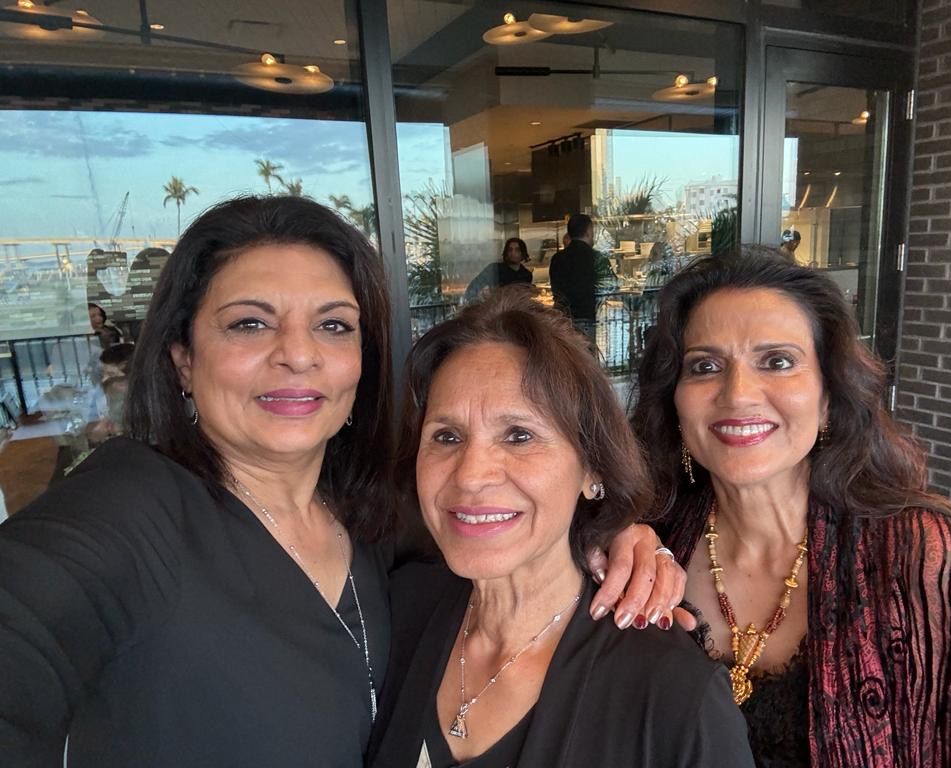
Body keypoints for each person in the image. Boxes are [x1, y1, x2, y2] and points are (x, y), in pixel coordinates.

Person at [0, 196, 685, 767]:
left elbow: (509, 516)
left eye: (332, 325)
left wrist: (613, 529)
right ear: (183, 358)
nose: (297, 354)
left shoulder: (380, 517)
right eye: (249, 323)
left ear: (362, 362)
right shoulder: (129, 514)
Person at [631, 247, 951, 766]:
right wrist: (612, 532)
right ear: (675, 400)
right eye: (705, 366)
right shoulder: (649, 546)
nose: (738, 394)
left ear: (827, 398)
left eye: (778, 361)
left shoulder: (922, 559)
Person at [369, 288, 754, 767]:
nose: (470, 475)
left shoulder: (675, 695)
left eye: (519, 435)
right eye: (446, 437)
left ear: (593, 469)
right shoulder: (398, 610)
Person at [548, 214, 615, 338]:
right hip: (588, 319)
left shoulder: (557, 259)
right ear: (589, 231)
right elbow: (612, 286)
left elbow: (555, 288)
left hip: (563, 320)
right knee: (586, 355)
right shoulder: (597, 258)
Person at [464, 237, 533, 302]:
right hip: (496, 310)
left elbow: (526, 298)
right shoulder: (495, 268)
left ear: (523, 253)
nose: (513, 253)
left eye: (517, 250)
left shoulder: (526, 275)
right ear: (506, 253)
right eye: (510, 250)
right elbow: (473, 287)